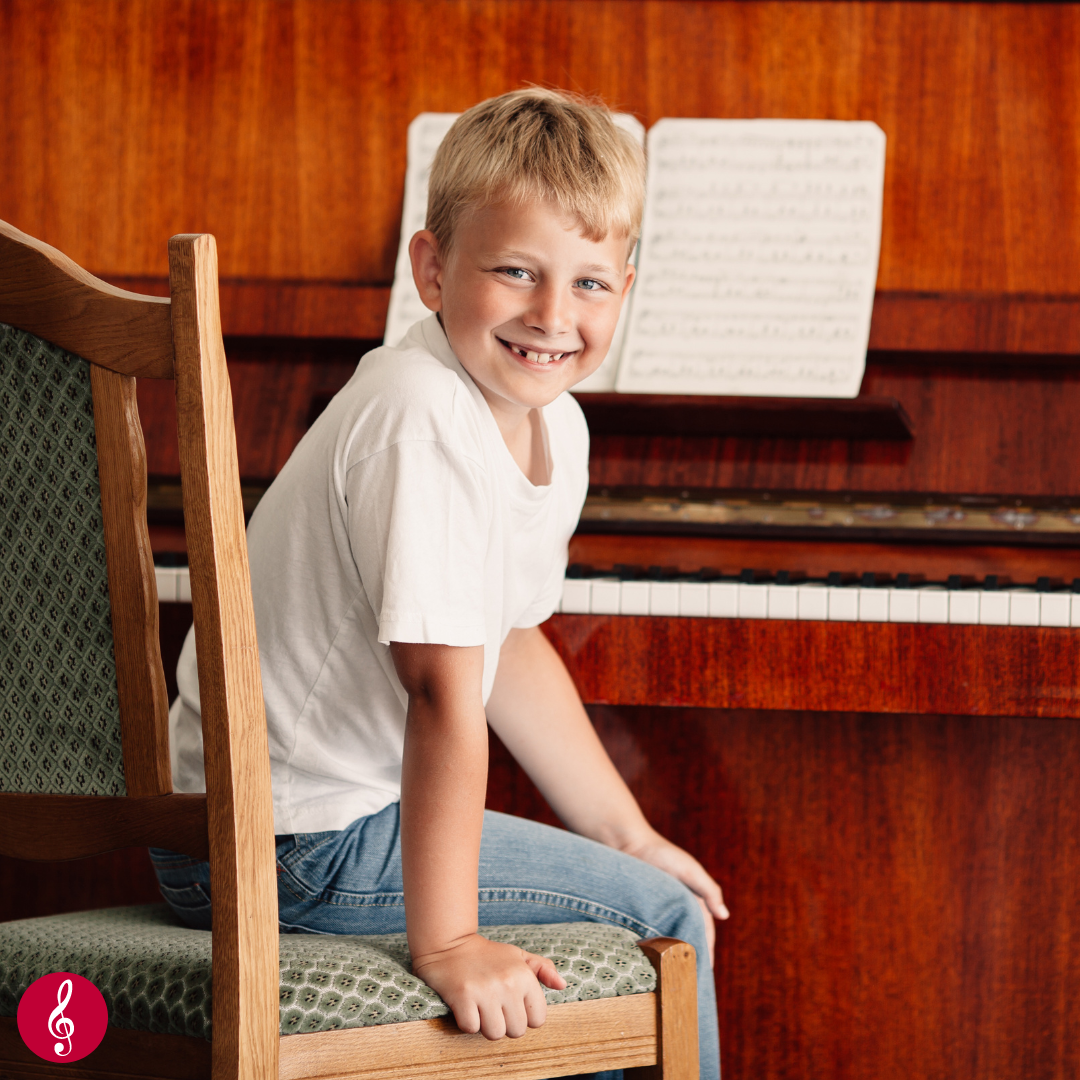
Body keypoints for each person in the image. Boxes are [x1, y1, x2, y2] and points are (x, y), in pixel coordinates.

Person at [153, 87, 727, 1080]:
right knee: (663, 920)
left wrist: (626, 830)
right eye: (515, 272)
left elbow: (503, 642)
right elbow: (443, 692)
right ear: (432, 268)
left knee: (630, 895)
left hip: (304, 826)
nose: (554, 316)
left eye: (591, 284)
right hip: (277, 845)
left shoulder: (551, 419)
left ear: (626, 290)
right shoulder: (419, 412)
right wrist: (449, 943)